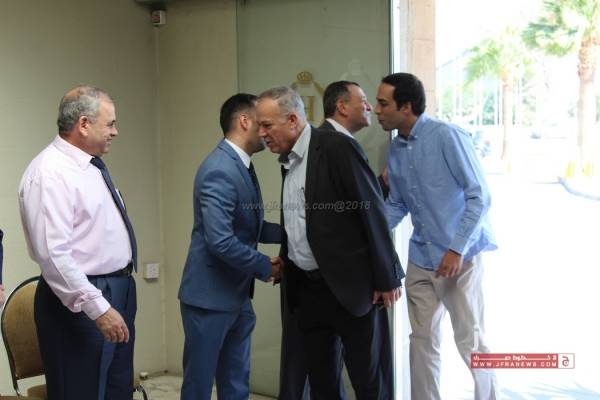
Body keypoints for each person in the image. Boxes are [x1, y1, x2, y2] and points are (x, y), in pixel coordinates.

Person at [256, 86, 404, 400]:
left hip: (352, 289)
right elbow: (299, 222)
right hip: (308, 294)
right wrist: (288, 259)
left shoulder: (336, 148)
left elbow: (371, 210)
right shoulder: (288, 160)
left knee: (369, 383)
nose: (261, 133)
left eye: (266, 125)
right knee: (323, 385)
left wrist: (387, 276)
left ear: (293, 120)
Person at [376, 72, 498, 400]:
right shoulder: (395, 148)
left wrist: (457, 249)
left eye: (383, 103)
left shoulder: (447, 136)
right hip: (420, 259)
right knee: (421, 341)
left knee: (472, 341)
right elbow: (398, 204)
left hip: (460, 259)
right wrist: (370, 235)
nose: (377, 110)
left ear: (406, 107)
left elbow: (479, 196)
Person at [18, 86, 137, 400]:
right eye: (110, 124)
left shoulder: (90, 166)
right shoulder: (49, 173)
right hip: (81, 301)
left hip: (117, 290)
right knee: (81, 392)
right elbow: (54, 256)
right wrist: (98, 308)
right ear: (84, 124)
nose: (115, 132)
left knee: (117, 391)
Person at [178, 93, 282, 400]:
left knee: (236, 383)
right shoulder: (220, 169)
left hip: (237, 296)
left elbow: (251, 226)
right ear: (244, 121)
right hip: (209, 299)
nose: (267, 130)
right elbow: (220, 240)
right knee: (198, 386)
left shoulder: (242, 165)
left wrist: (298, 233)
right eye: (263, 123)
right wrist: (265, 266)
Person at [321, 80, 389, 198]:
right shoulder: (340, 145)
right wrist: (384, 182)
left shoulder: (322, 138)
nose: (370, 107)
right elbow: (361, 200)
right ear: (342, 107)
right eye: (363, 101)